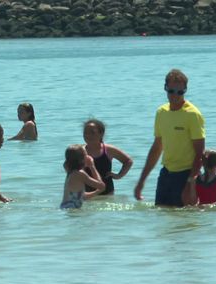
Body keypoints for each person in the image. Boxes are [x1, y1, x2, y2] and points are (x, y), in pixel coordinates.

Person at [134, 69, 205, 207]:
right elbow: (156, 148)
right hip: (166, 174)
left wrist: (190, 183)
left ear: (185, 90)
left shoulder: (193, 114)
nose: (175, 95)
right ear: (165, 88)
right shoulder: (161, 112)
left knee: (184, 220)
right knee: (162, 217)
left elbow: (200, 154)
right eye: (171, 91)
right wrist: (142, 181)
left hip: (186, 175)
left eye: (180, 92)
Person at [83, 119, 133, 195]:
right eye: (86, 132)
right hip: (86, 194)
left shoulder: (109, 150)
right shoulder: (80, 151)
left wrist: (118, 175)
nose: (88, 135)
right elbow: (69, 168)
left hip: (107, 193)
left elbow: (128, 161)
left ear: (101, 134)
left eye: (92, 132)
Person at [61, 144, 106, 209]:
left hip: (66, 206)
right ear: (81, 159)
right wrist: (92, 166)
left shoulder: (70, 173)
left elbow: (81, 196)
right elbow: (101, 185)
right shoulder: (80, 174)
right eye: (86, 154)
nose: (88, 156)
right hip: (72, 208)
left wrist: (96, 192)